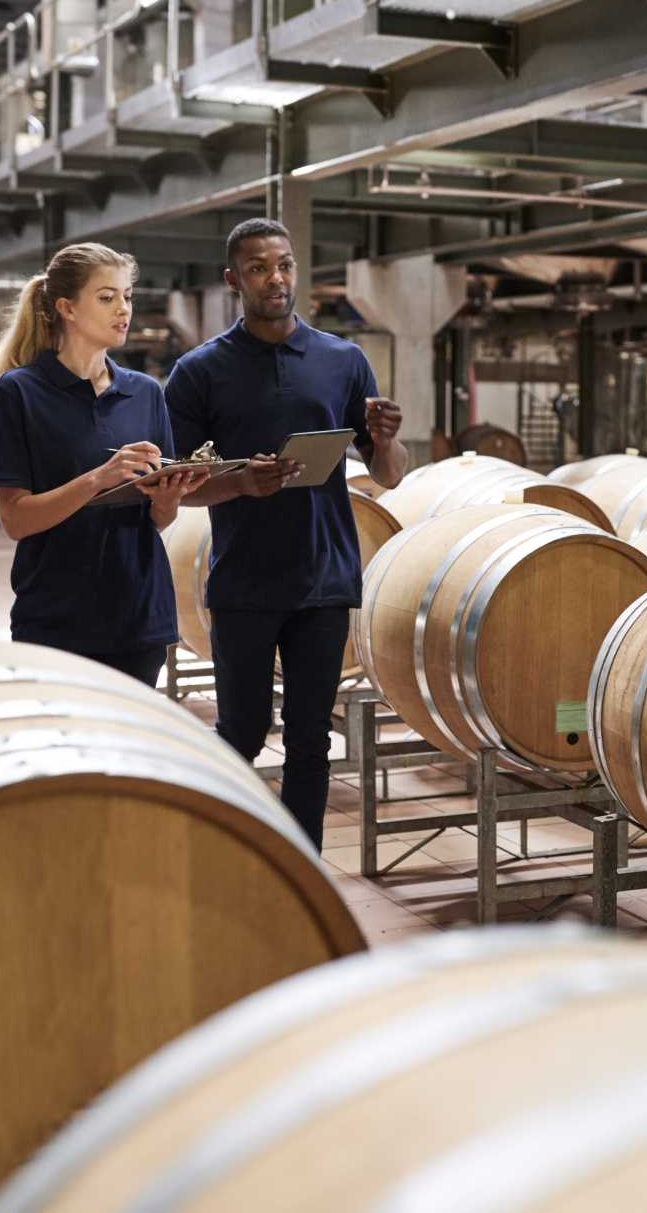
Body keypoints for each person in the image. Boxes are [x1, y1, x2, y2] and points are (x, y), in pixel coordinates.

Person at [167, 218, 406, 849]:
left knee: (309, 740)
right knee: (240, 735)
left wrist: (385, 440)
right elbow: (184, 485)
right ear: (232, 280)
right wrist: (243, 482)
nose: (275, 279)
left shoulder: (342, 360)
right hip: (244, 581)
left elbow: (388, 475)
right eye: (258, 268)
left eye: (284, 265)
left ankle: (304, 864)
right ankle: (229, 855)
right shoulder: (198, 372)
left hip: (323, 579)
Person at [0, 241, 208, 684]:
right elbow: (16, 520)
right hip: (57, 618)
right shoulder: (20, 393)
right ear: (67, 308)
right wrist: (100, 478)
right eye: (107, 297)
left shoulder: (145, 392)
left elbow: (153, 521)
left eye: (127, 296)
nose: (124, 309)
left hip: (140, 615)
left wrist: (168, 499)